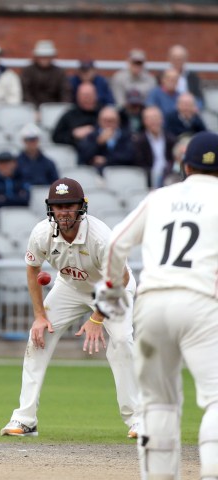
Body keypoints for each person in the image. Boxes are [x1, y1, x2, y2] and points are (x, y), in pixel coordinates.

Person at [95, 130, 218, 480]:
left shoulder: (160, 197)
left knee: (158, 403)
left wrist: (111, 290)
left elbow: (116, 243)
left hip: (150, 304)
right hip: (201, 303)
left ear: (185, 166)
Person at [0, 177, 140, 439]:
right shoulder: (42, 233)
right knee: (37, 337)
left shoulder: (101, 237)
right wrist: (39, 316)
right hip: (70, 286)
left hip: (112, 288)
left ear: (81, 207)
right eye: (58, 206)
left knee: (122, 341)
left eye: (69, 206)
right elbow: (32, 270)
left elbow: (120, 279)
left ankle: (137, 420)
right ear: (50, 208)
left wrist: (97, 318)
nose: (63, 212)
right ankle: (25, 419)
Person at [77, 105, 136, 172]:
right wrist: (98, 143)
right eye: (105, 120)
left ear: (118, 121)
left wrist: (107, 159)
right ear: (99, 121)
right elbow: (83, 157)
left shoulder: (126, 136)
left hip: (121, 172)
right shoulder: (92, 136)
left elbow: (129, 156)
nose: (108, 124)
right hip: (96, 172)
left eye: (111, 121)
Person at [133, 106, 176, 189]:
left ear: (162, 120)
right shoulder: (139, 142)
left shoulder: (171, 139)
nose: (154, 121)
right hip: (147, 179)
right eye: (150, 119)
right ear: (144, 121)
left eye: (156, 118)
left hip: (169, 177)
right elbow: (139, 163)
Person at [21, 40, 70, 108]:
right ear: (36, 56)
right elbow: (25, 92)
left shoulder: (59, 72)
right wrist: (34, 108)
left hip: (54, 108)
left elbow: (65, 92)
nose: (44, 59)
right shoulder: (28, 71)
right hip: (31, 108)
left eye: (47, 56)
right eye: (42, 56)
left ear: (52, 57)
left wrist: (62, 108)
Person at [52, 83, 100, 148]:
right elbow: (56, 137)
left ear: (96, 96)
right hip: (75, 151)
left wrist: (96, 132)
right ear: (78, 97)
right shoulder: (69, 116)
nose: (87, 99)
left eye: (90, 95)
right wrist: (73, 134)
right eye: (84, 96)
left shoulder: (104, 113)